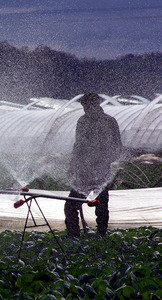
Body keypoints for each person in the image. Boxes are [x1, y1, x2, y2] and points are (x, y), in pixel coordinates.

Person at [65, 92, 122, 237]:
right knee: (71, 206)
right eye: (84, 108)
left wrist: (106, 161)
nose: (86, 110)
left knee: (101, 205)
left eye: (88, 107)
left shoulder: (109, 122)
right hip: (83, 171)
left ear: (96, 106)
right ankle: (73, 235)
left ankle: (101, 235)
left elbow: (117, 146)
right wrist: (72, 165)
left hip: (101, 171)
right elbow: (78, 145)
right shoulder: (82, 121)